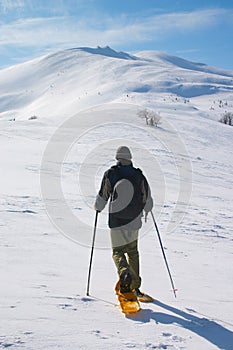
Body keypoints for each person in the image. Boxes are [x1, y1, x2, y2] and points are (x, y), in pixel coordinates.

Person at [94, 146, 153, 296]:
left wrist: (98, 208)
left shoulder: (111, 174)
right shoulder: (138, 175)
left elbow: (103, 194)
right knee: (133, 252)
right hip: (134, 221)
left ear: (117, 158)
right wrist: (147, 208)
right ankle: (134, 285)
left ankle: (124, 272)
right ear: (130, 158)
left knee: (118, 251)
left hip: (116, 220)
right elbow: (147, 198)